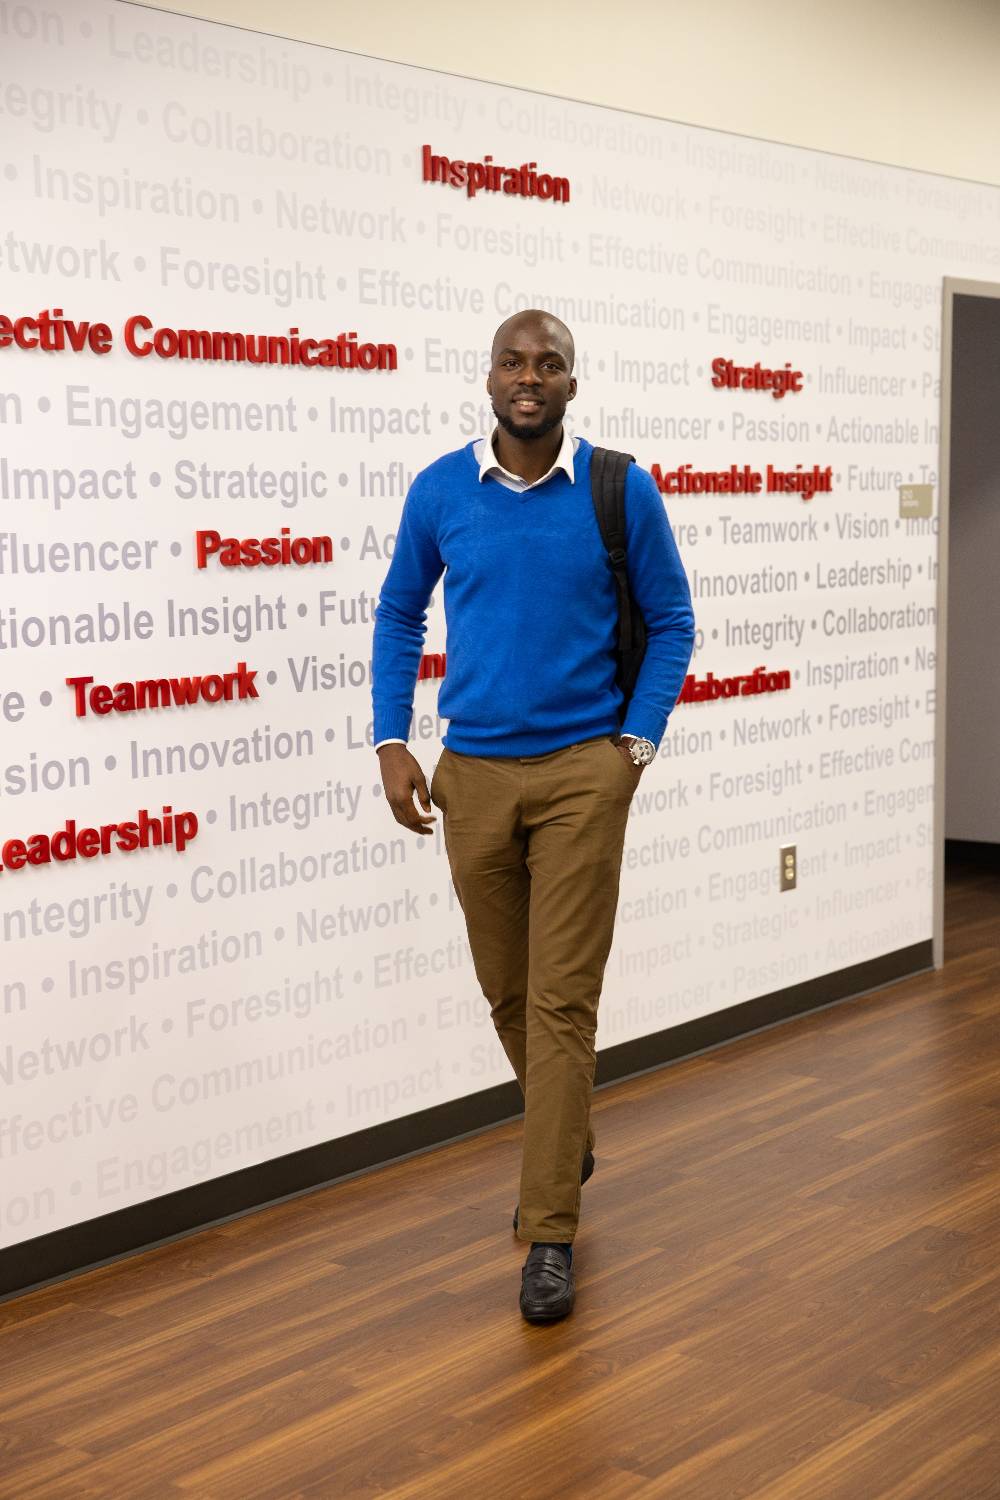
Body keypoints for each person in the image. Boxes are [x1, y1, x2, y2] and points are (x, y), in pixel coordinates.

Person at [371, 309, 695, 1323]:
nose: (529, 377)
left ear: (570, 383)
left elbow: (675, 621)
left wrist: (630, 751)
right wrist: (391, 739)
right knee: (505, 991)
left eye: (548, 363)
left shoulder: (617, 489)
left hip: (578, 778)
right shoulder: (439, 490)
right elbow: (398, 612)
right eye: (513, 361)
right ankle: (567, 1133)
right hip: (470, 774)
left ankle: (547, 1230)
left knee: (560, 1002)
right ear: (488, 378)